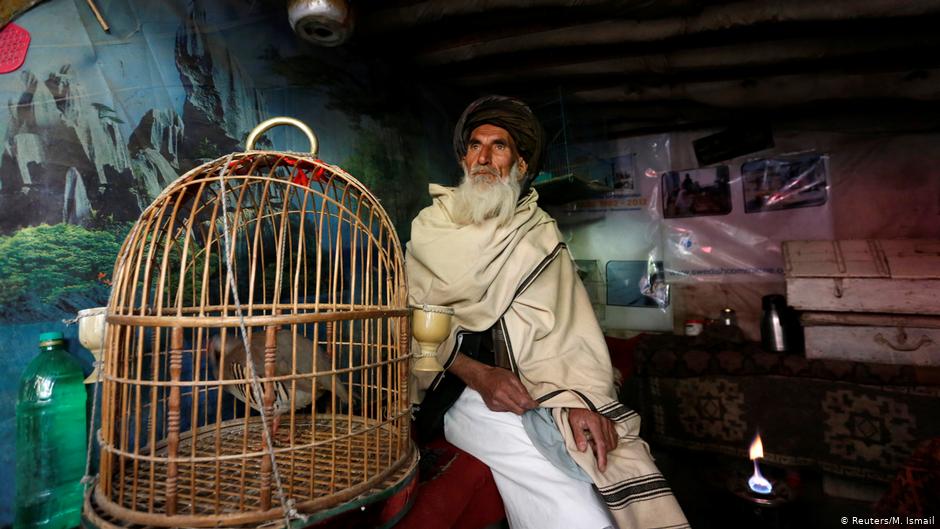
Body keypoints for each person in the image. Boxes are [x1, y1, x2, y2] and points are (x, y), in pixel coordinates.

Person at [406, 95, 688, 529]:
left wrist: (578, 401)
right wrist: (478, 375)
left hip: (543, 388)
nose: (483, 157)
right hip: (456, 393)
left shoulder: (537, 234)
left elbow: (569, 335)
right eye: (474, 146)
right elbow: (409, 327)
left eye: (498, 146)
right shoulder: (429, 229)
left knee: (607, 461)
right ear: (463, 158)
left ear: (519, 165)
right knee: (573, 503)